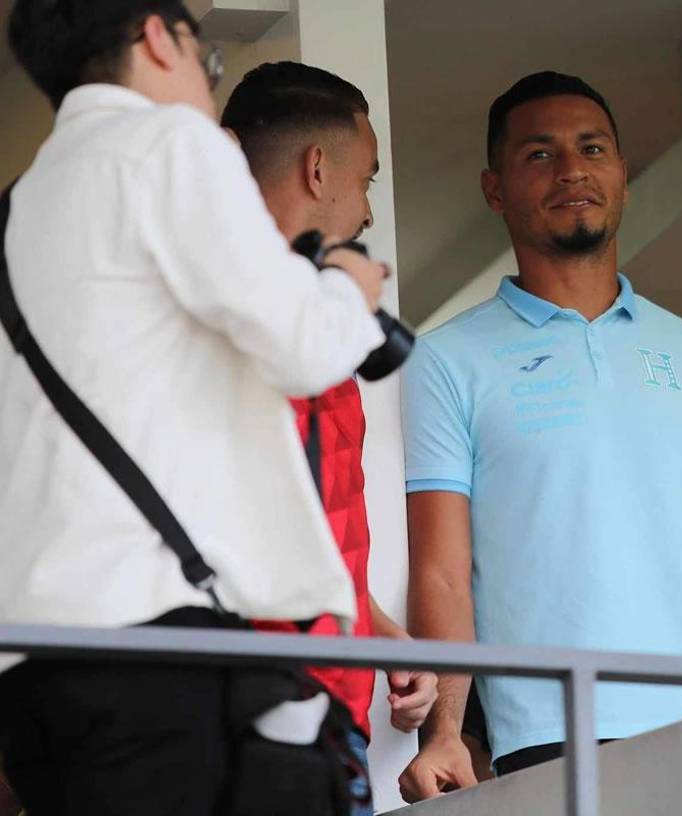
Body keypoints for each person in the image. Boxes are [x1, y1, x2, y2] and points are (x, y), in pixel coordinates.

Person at [0, 2, 388, 814]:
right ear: (158, 37)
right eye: (208, 66)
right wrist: (347, 286)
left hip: (33, 667)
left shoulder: (18, 210)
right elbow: (304, 346)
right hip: (161, 655)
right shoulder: (169, 144)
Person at [398, 70, 682, 801]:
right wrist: (446, 731)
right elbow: (443, 574)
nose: (572, 170)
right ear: (495, 190)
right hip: (555, 726)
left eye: (592, 148)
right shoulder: (445, 359)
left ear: (621, 174)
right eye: (539, 155)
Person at [220, 61, 438, 815]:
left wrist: (385, 634)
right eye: (367, 177)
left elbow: (309, 522)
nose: (367, 208)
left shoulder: (327, 327)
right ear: (320, 169)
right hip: (240, 708)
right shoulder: (214, 310)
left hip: (323, 707)